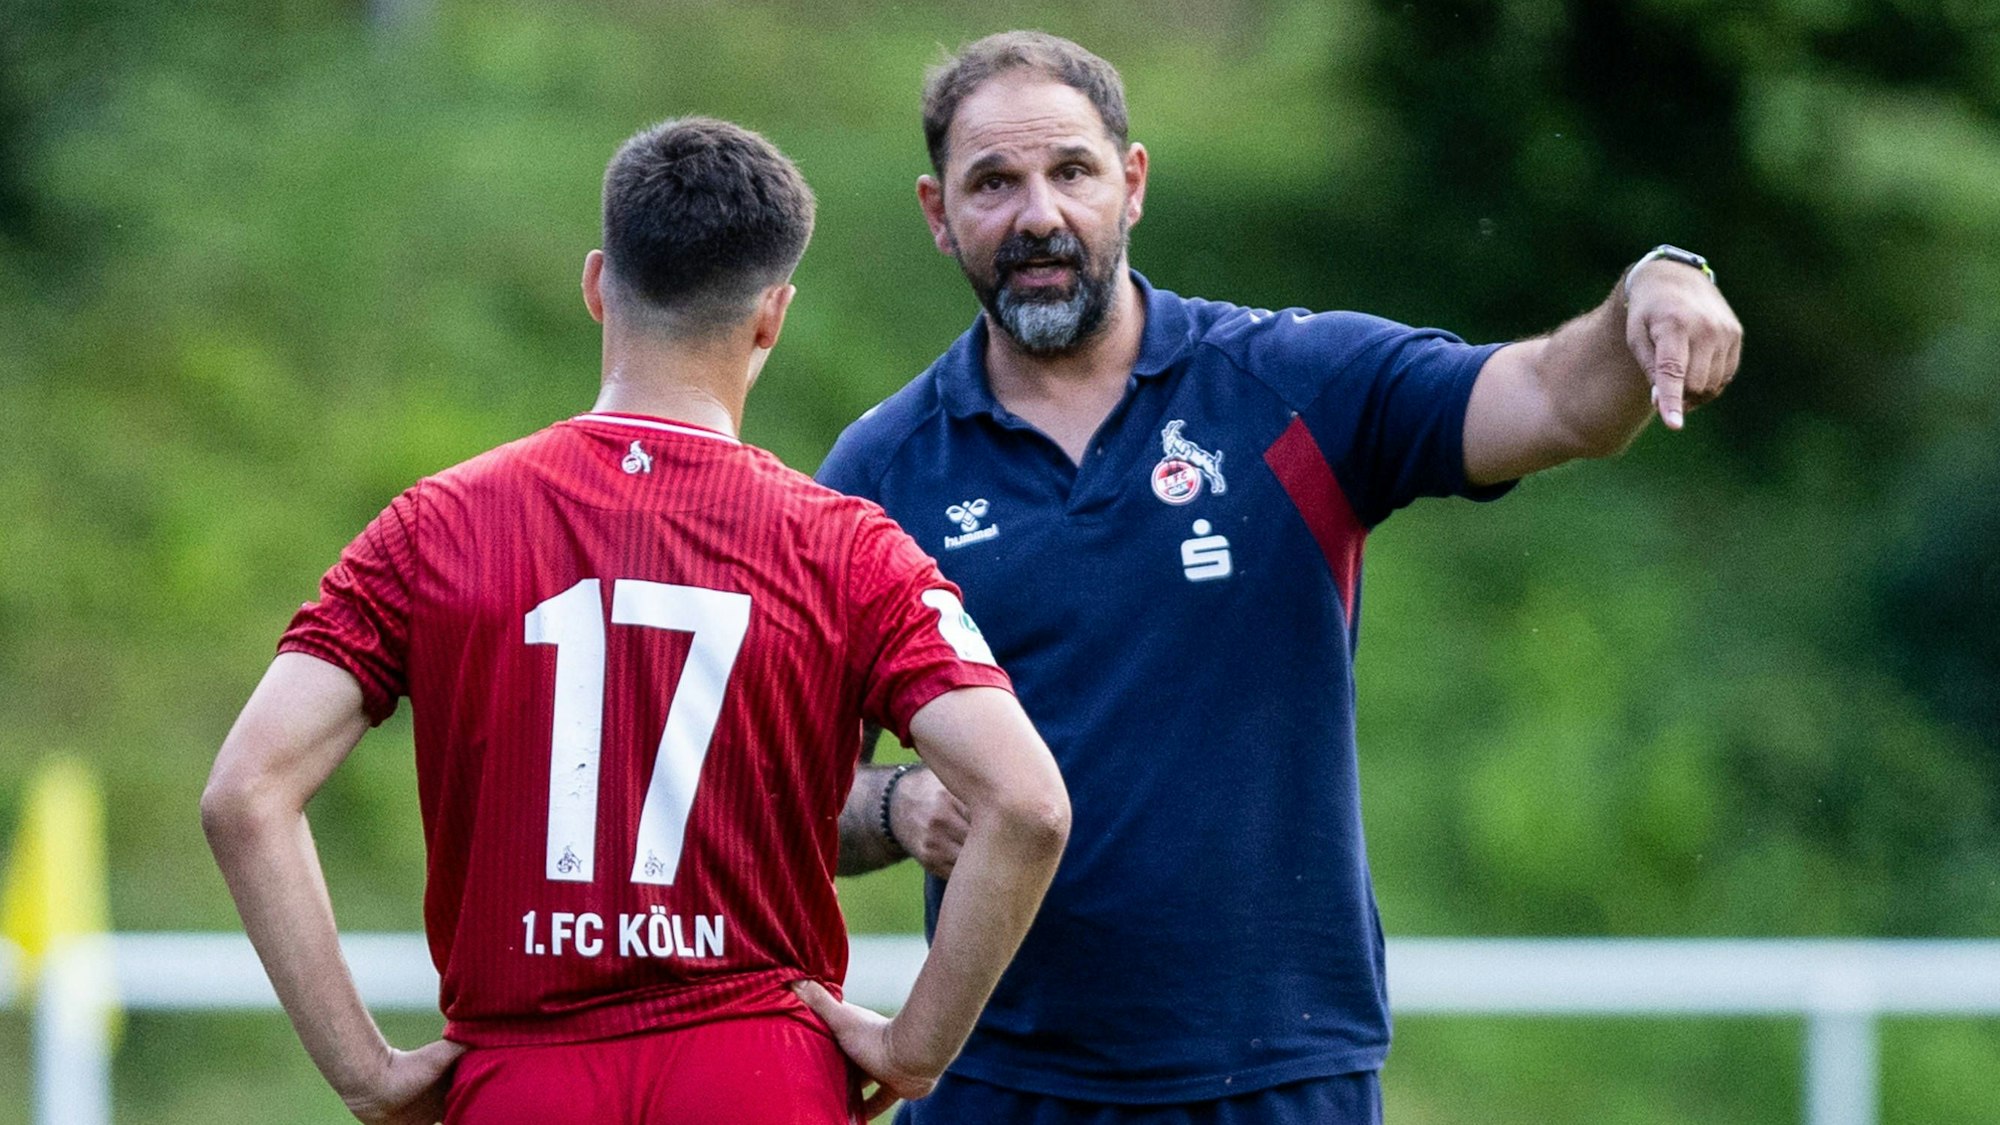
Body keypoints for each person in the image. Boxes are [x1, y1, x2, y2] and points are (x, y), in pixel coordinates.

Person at [819, 31, 1742, 1125]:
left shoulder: (1290, 384)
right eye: (993, 184)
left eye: (1071, 170)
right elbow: (780, 793)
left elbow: (1555, 400)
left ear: (1133, 183)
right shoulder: (880, 473)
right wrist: (895, 801)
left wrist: (1656, 285)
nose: (1037, 216)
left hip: (1279, 1076)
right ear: (936, 213)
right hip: (1002, 1086)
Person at [201, 116, 1070, 1125]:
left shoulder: (434, 527)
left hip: (522, 1077)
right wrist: (912, 1048)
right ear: (771, 317)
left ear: (596, 285)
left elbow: (245, 793)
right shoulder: (846, 549)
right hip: (758, 1068)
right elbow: (1027, 803)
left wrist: (363, 1070)